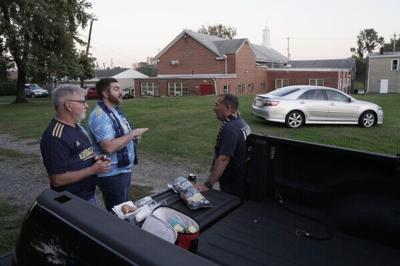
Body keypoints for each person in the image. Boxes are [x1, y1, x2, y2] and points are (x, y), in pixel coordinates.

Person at [40, 85, 110, 204]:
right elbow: (57, 180)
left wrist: (94, 158)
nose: (87, 106)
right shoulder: (55, 137)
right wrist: (93, 170)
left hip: (88, 195)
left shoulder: (78, 127)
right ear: (68, 105)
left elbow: (81, 152)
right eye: (82, 102)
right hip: (71, 201)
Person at [88, 78, 148, 211]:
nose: (121, 92)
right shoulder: (100, 116)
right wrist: (132, 134)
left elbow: (121, 136)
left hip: (122, 170)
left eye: (120, 89)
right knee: (118, 213)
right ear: (105, 93)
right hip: (112, 174)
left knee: (123, 209)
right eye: (116, 89)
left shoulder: (114, 110)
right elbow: (108, 147)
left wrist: (133, 137)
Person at [196, 94, 251, 198]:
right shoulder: (240, 122)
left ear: (228, 108)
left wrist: (207, 185)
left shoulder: (230, 128)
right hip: (242, 177)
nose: (214, 109)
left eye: (217, 105)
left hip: (233, 184)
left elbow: (224, 159)